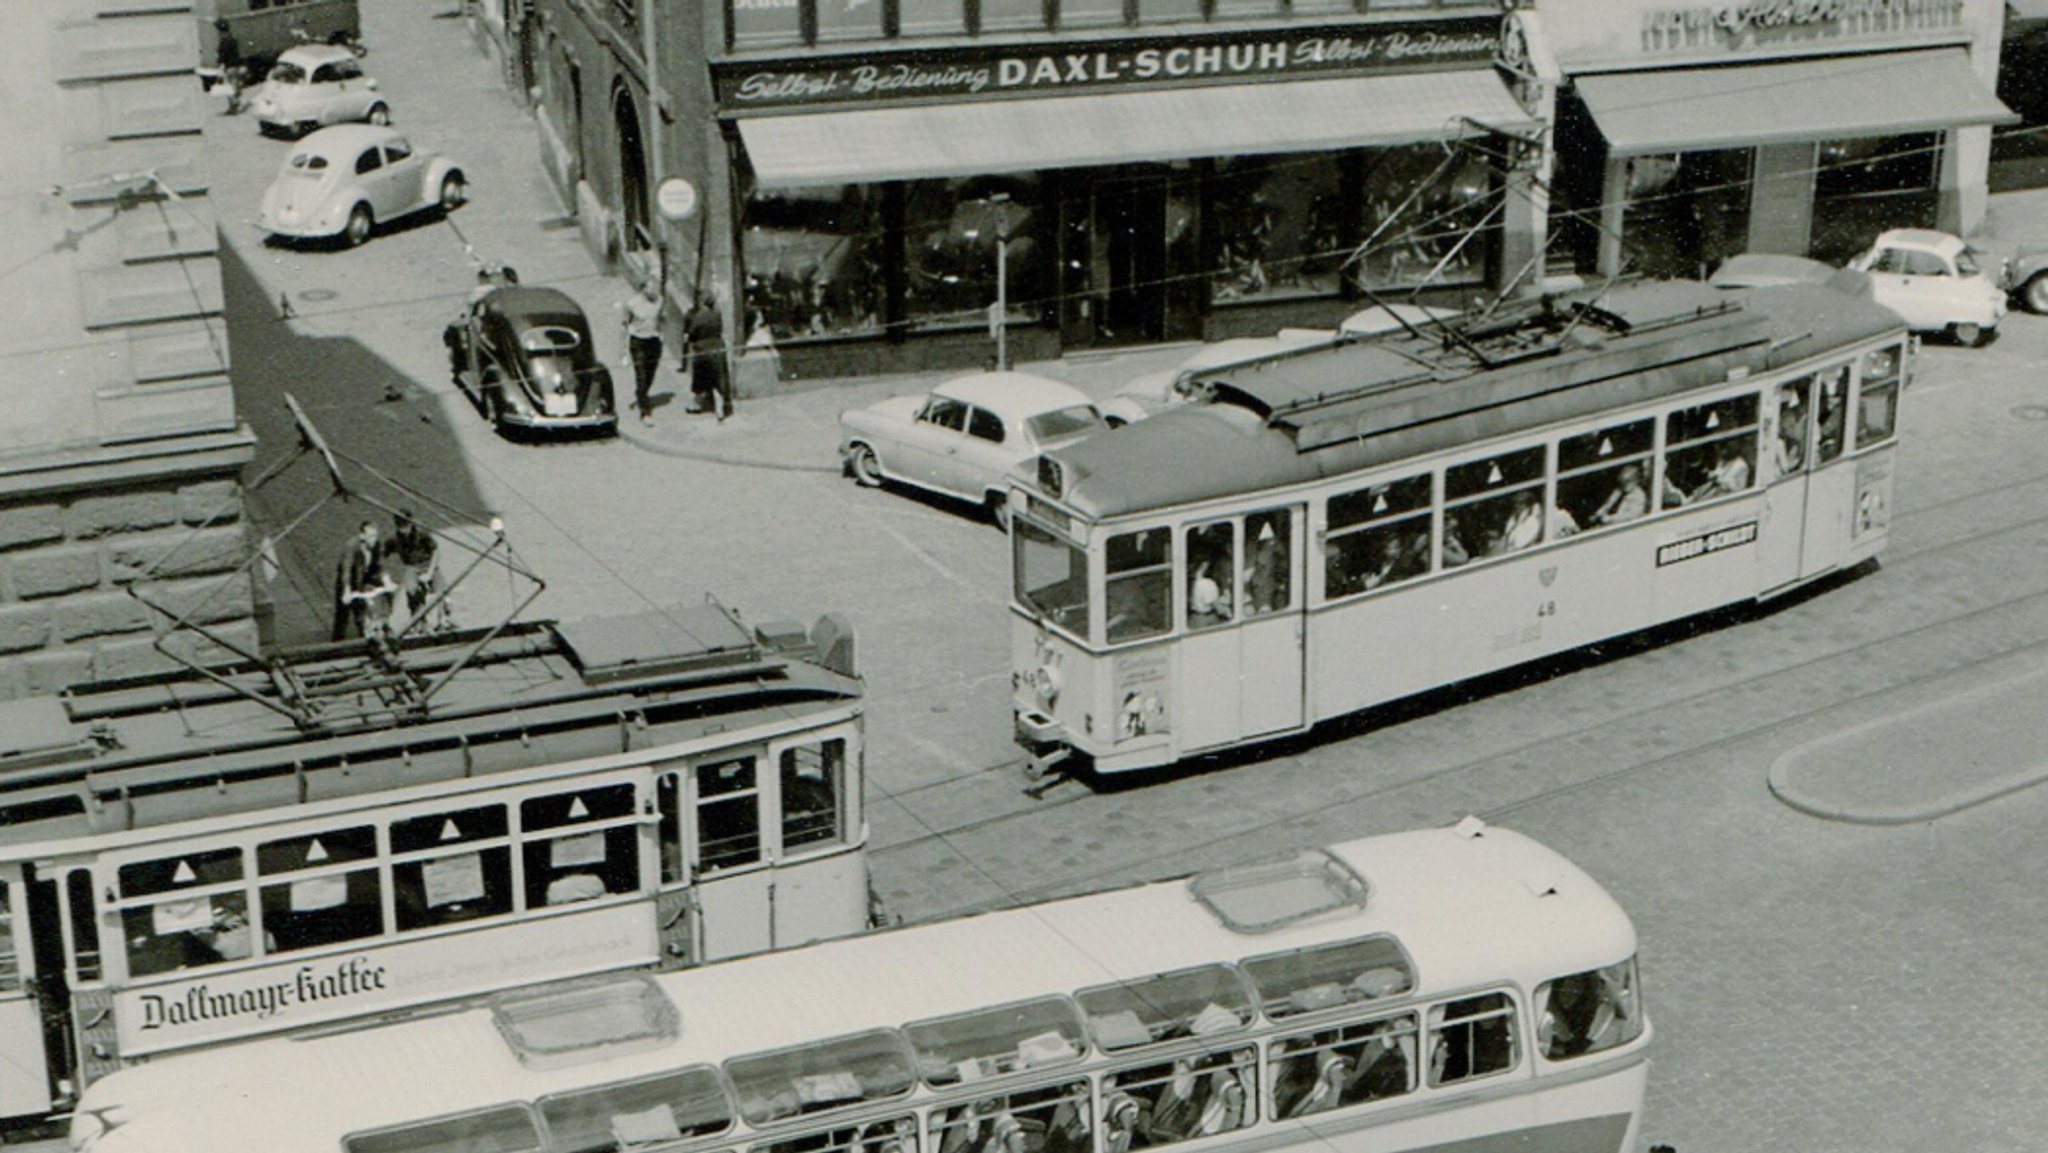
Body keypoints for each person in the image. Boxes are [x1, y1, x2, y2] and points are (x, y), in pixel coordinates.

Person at [385, 508, 446, 632]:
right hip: (412, 567)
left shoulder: (422, 534)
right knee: (411, 590)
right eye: (400, 527)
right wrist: (384, 575)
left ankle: (442, 620)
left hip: (428, 564)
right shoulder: (395, 539)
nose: (404, 531)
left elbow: (435, 550)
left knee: (440, 589)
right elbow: (382, 554)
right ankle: (417, 619)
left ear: (411, 524)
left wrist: (429, 573)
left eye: (406, 527)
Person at [332, 520, 394, 642]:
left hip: (365, 577)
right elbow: (347, 569)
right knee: (343, 614)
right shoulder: (351, 546)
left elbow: (381, 564)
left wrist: (387, 581)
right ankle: (336, 643)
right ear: (362, 536)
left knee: (366, 610)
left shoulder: (377, 545)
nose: (373, 539)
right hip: (350, 581)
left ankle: (375, 632)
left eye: (375, 536)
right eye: (370, 536)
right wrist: (347, 590)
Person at [619, 278, 663, 426]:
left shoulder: (659, 301)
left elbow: (662, 319)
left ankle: (641, 394)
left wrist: (661, 333)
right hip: (638, 341)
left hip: (654, 341)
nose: (654, 291)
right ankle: (645, 412)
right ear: (643, 289)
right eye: (651, 288)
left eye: (655, 288)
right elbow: (624, 326)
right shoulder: (631, 304)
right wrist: (623, 350)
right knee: (641, 375)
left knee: (651, 374)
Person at [683, 289, 732, 419]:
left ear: (702, 302)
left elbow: (692, 333)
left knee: (700, 377)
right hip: (718, 347)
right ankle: (721, 407)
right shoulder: (717, 314)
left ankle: (697, 404)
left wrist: (689, 338)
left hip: (703, 349)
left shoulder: (699, 317)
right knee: (719, 377)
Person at [213, 21, 246, 115]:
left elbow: (221, 57)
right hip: (236, 66)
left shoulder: (223, 41)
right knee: (235, 85)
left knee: (230, 87)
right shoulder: (233, 39)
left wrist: (219, 66)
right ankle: (235, 105)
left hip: (229, 67)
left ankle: (234, 106)